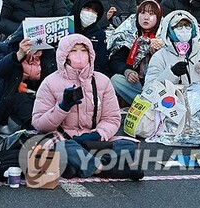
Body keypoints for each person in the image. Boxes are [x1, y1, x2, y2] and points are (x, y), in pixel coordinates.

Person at [32, 35, 143, 179]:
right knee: (63, 147)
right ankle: (106, 170)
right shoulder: (50, 82)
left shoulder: (102, 81)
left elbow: (112, 118)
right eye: (73, 50)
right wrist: (62, 107)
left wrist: (98, 134)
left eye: (83, 50)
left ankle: (76, 166)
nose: (79, 54)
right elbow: (39, 123)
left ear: (90, 53)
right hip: (66, 140)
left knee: (130, 147)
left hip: (93, 140)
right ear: (64, 54)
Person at [143, 10, 200, 93]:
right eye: (178, 26)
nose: (184, 29)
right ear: (169, 30)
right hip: (174, 106)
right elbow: (149, 89)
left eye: (187, 25)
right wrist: (171, 74)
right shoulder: (160, 57)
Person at [108, 0, 163, 104]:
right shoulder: (128, 33)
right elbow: (115, 60)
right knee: (116, 80)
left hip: (159, 84)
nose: (146, 17)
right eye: (142, 13)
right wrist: (127, 71)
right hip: (137, 83)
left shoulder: (164, 36)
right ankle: (143, 104)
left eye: (151, 14)